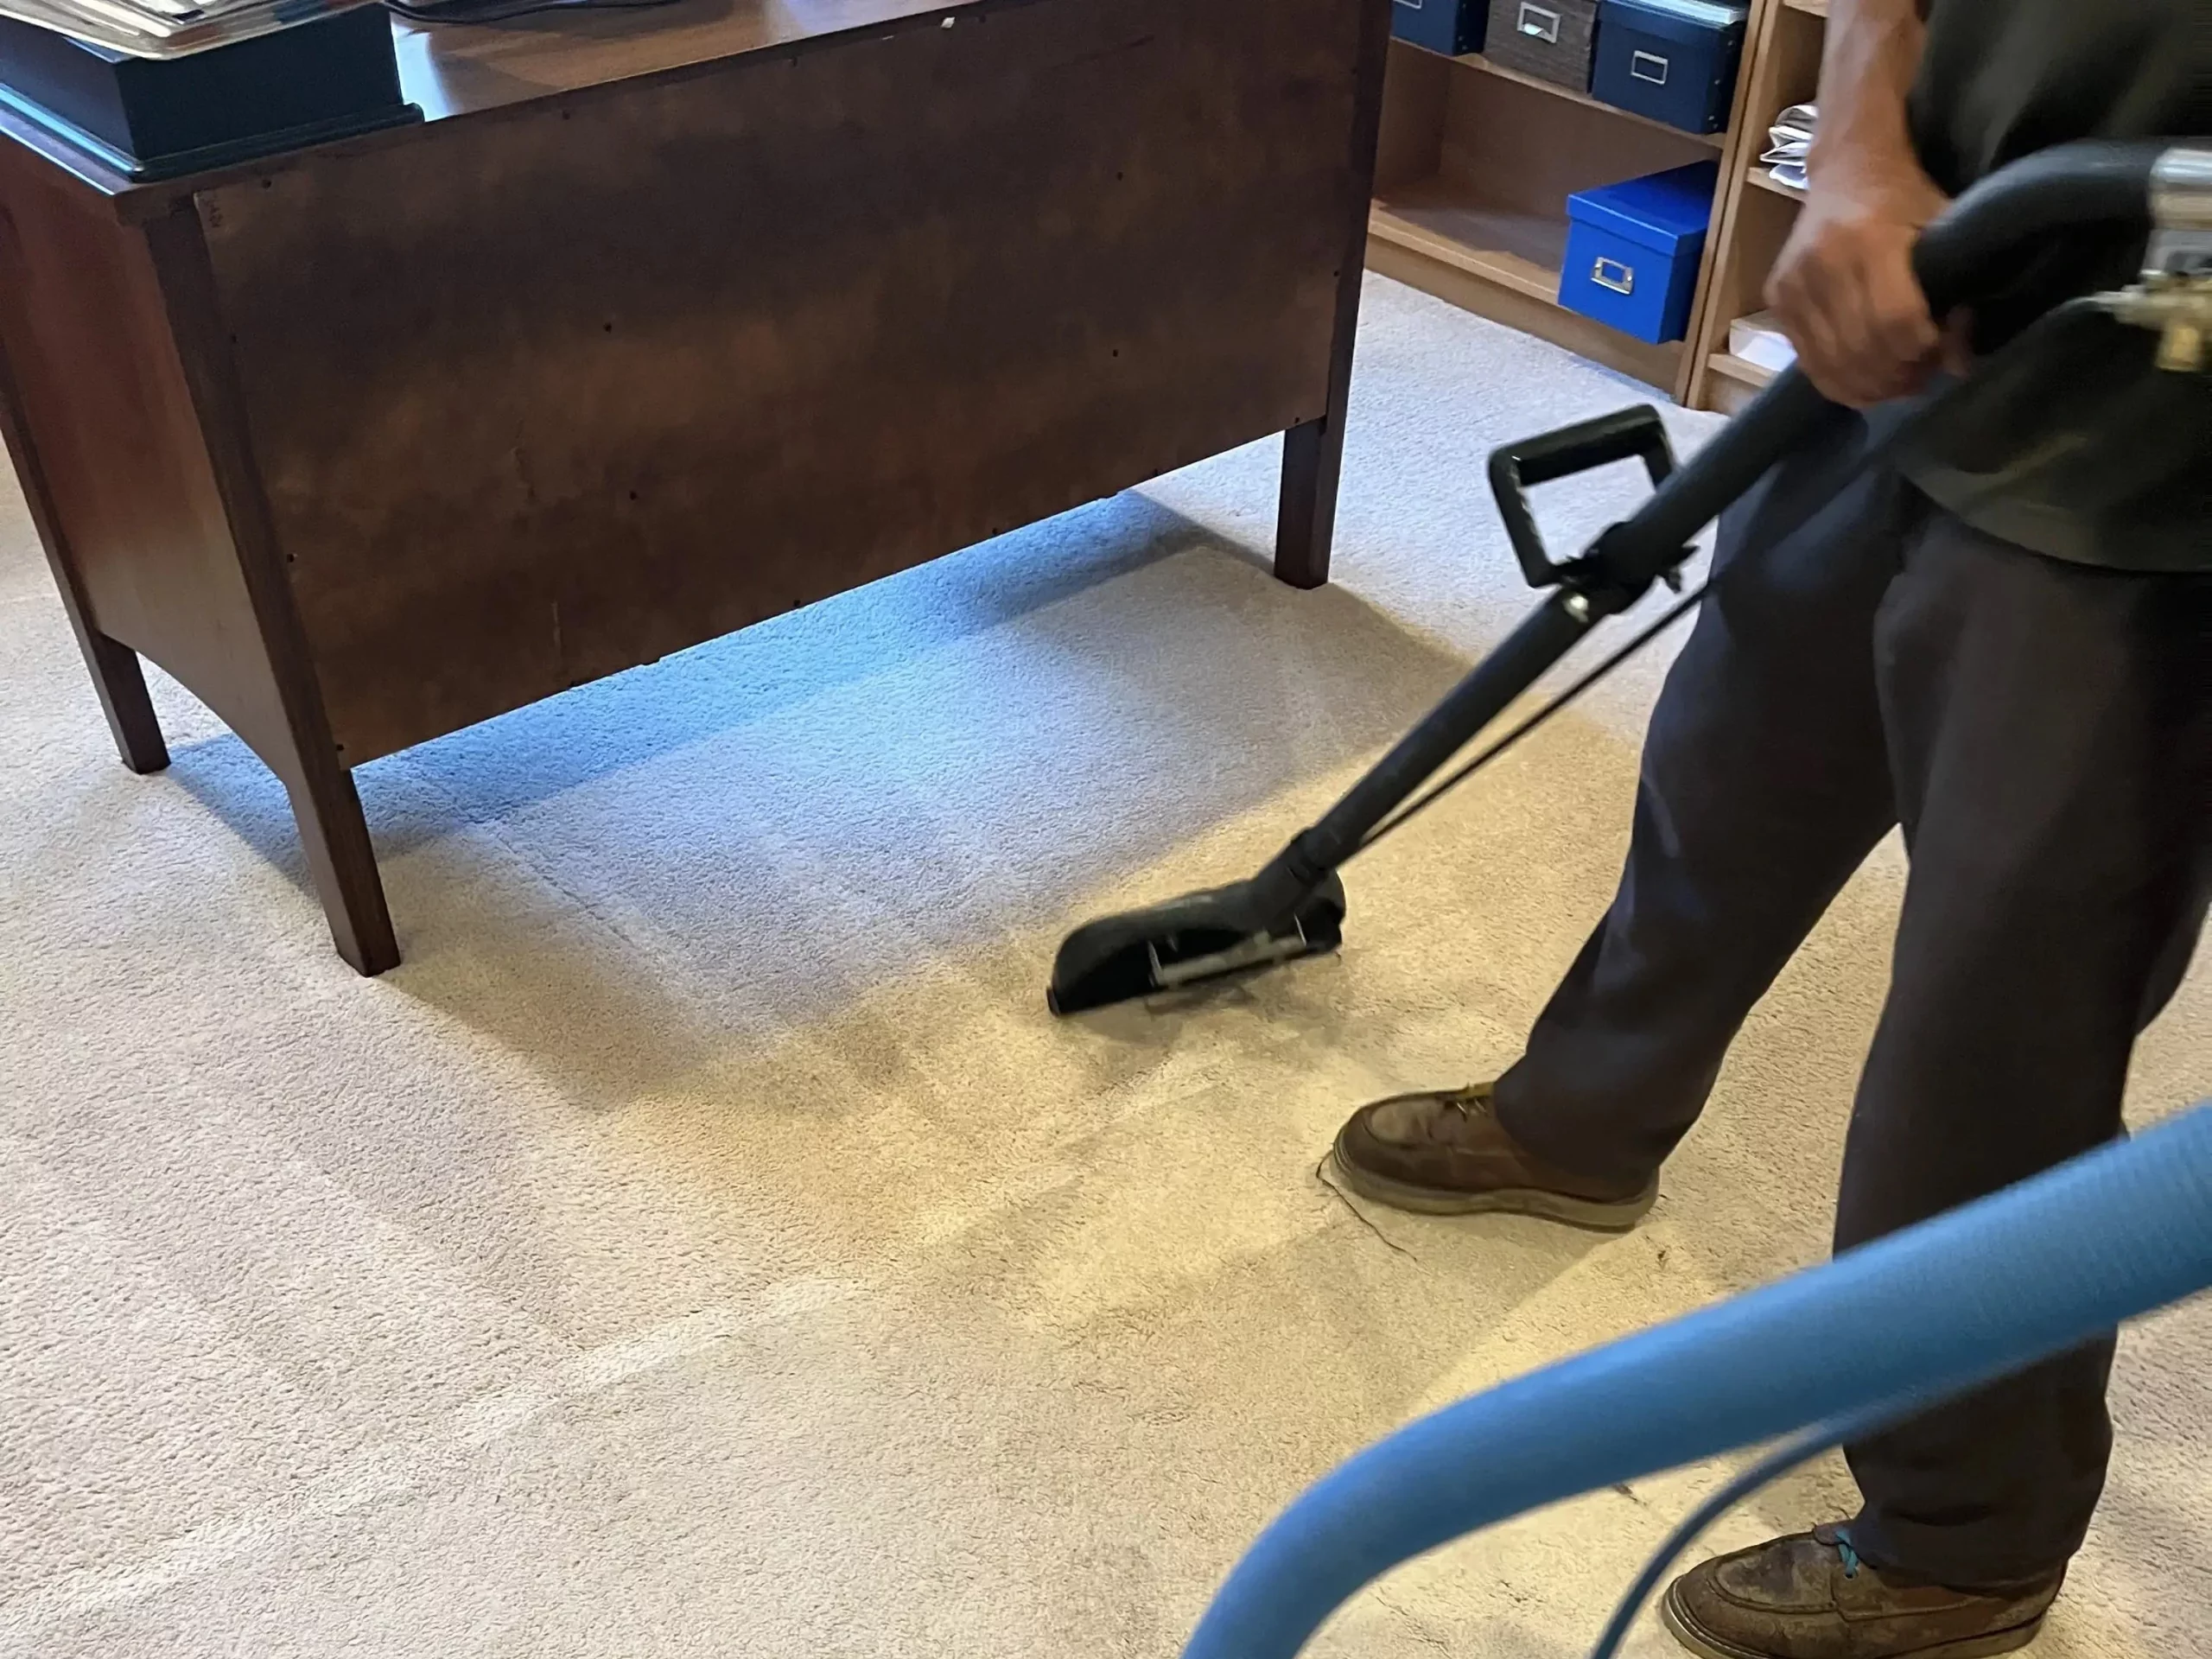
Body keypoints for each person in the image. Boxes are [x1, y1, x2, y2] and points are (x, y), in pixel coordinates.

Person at [1326, 2, 2212, 1656]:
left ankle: (1967, 1532)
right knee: (1732, 766)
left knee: (1998, 1020)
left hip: (2156, 463)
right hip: (1919, 305)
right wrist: (1857, 154)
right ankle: (1581, 1118)